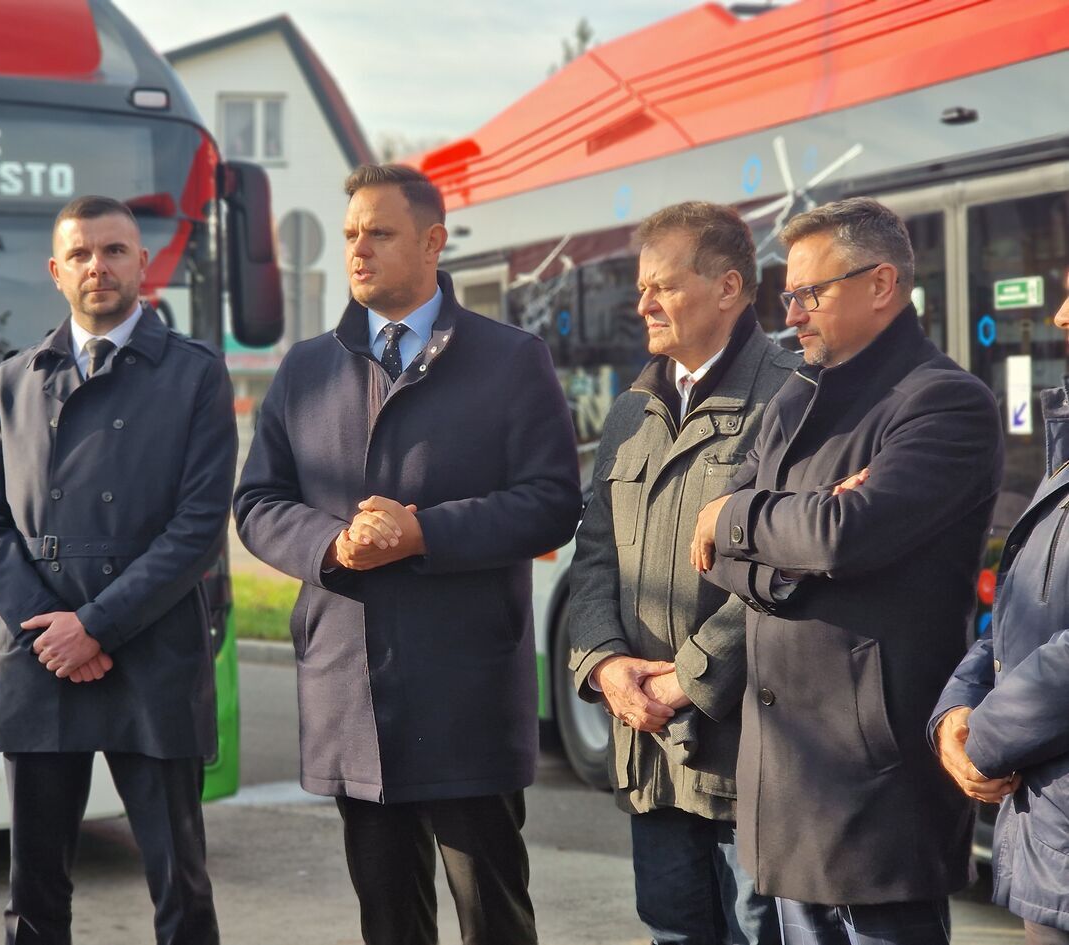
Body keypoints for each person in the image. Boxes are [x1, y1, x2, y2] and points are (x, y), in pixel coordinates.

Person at [233, 163, 581, 945]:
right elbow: (257, 503)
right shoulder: (305, 368)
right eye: (352, 232)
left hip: (465, 688)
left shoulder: (509, 358)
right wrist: (332, 545)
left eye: (379, 232)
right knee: (387, 918)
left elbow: (553, 499)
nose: (359, 249)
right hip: (350, 686)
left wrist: (424, 533)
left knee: (493, 912)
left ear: (432, 242)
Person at [690, 197, 1003, 944]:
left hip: (874, 785)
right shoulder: (796, 396)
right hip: (789, 775)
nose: (791, 313)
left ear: (881, 283)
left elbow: (841, 533)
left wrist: (742, 520)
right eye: (787, 293)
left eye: (810, 292)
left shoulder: (943, 401)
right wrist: (791, 544)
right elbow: (737, 558)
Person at [0, 195, 233, 945]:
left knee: (181, 886)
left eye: (114, 250)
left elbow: (199, 525)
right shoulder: (14, 379)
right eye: (80, 253)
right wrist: (53, 632)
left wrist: (98, 625)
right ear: (56, 270)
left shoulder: (196, 375)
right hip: (41, 652)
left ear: (143, 263)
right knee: (34, 892)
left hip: (152, 649)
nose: (98, 266)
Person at [568, 201, 794, 945]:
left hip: (748, 757)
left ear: (729, 287)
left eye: (662, 286)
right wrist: (604, 666)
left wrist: (684, 679)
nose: (643, 305)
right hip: (652, 758)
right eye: (641, 288)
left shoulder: (790, 399)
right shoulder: (634, 409)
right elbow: (595, 553)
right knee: (673, 928)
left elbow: (789, 567)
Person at [931, 277, 1069, 944]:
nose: (1061, 315)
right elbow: (1019, 613)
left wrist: (981, 737)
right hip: (1049, 832)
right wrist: (953, 714)